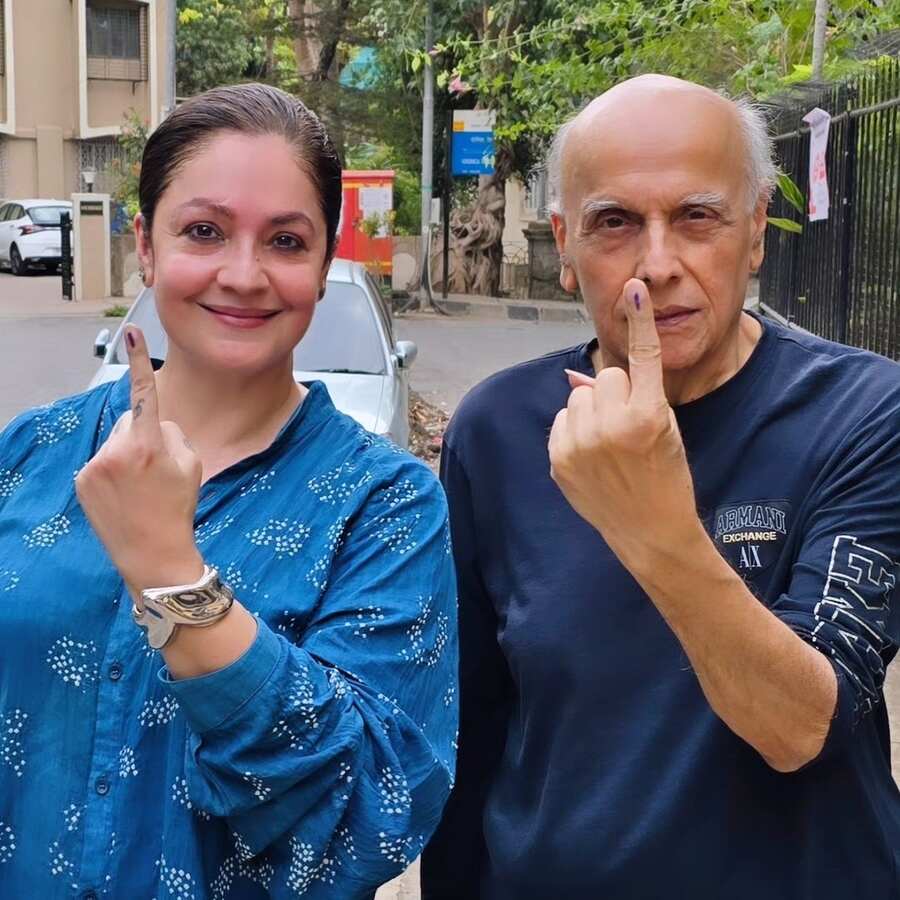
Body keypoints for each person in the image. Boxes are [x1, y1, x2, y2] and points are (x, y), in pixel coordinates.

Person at [422, 74, 900, 899]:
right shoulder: (498, 430)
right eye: (615, 223)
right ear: (566, 249)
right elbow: (474, 734)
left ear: (755, 233)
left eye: (696, 217)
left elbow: (801, 727)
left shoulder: (862, 415)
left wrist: (655, 527)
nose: (657, 264)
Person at [0, 83, 457, 898]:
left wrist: (172, 573)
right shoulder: (31, 452)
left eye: (285, 240)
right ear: (146, 245)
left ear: (324, 261)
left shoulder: (386, 506)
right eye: (204, 231)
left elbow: (369, 811)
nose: (243, 275)